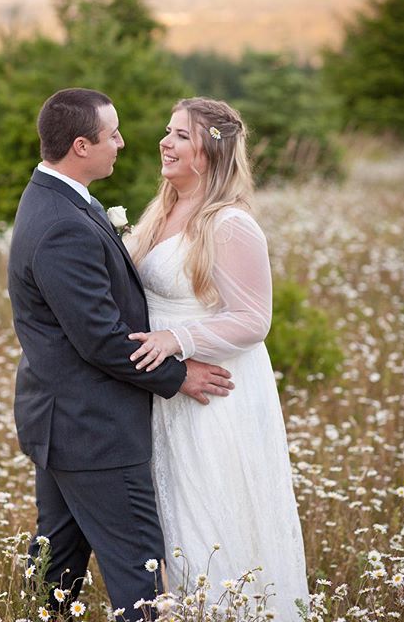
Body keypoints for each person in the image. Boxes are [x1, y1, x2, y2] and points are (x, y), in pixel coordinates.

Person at [7, 88, 235, 618]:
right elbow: (101, 339)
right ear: (81, 145)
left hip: (63, 423)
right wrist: (179, 376)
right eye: (113, 135)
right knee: (141, 574)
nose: (124, 143)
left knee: (54, 570)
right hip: (94, 432)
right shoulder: (62, 223)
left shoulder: (57, 197)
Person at [126, 97, 309, 619]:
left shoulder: (230, 224)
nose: (165, 142)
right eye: (168, 131)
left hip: (214, 393)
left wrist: (175, 341)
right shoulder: (161, 208)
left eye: (181, 136)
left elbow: (254, 320)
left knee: (211, 515)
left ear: (211, 151)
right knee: (175, 517)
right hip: (167, 388)